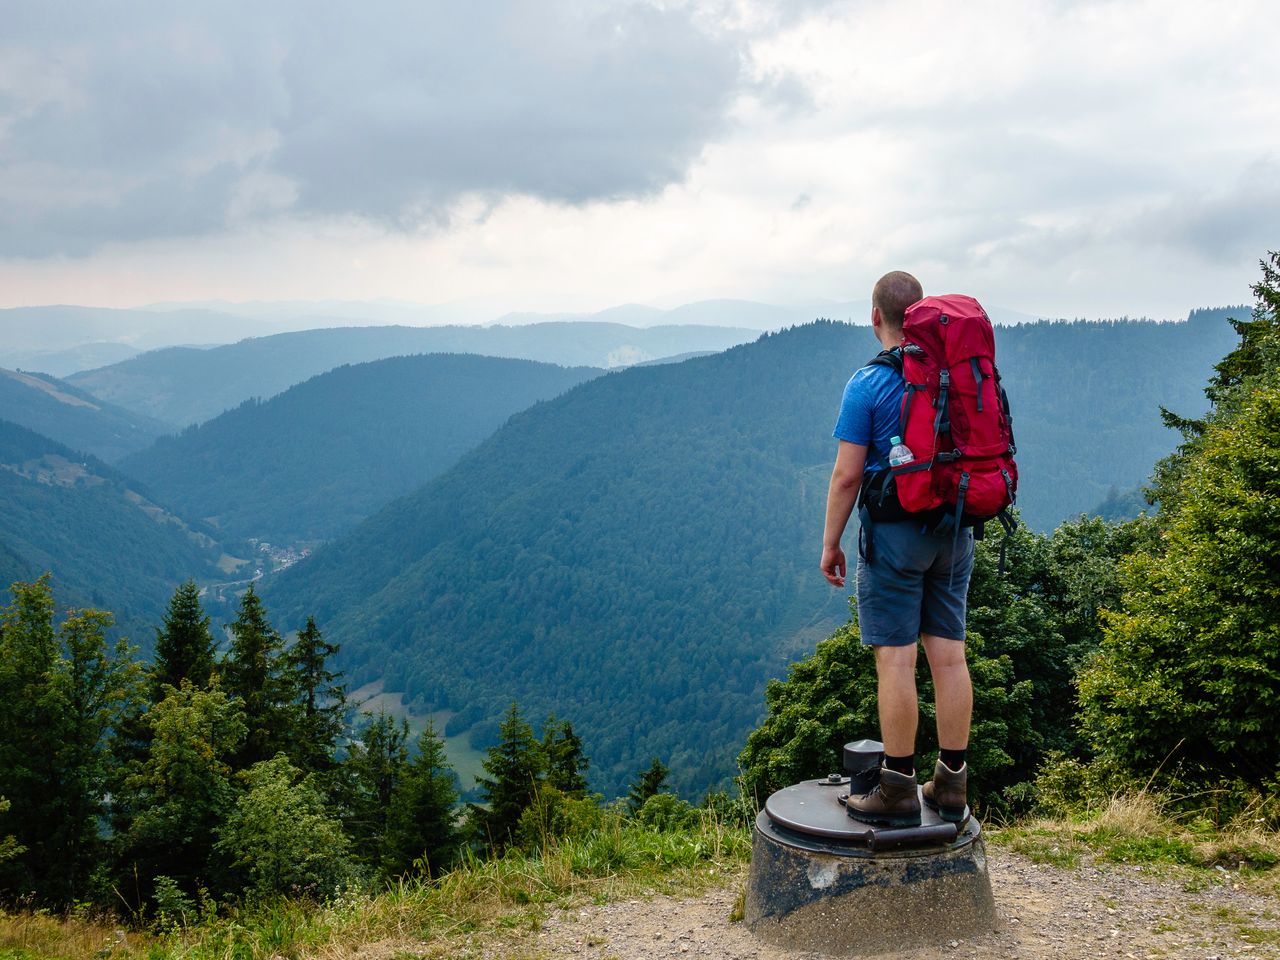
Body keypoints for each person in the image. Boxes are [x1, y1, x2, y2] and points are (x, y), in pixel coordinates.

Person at [820, 270, 973, 827]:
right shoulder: (954, 375)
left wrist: (831, 542)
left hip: (894, 534)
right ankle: (952, 783)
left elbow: (845, 477)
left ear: (875, 317)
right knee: (949, 655)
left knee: (897, 659)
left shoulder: (867, 383)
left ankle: (899, 785)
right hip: (955, 532)